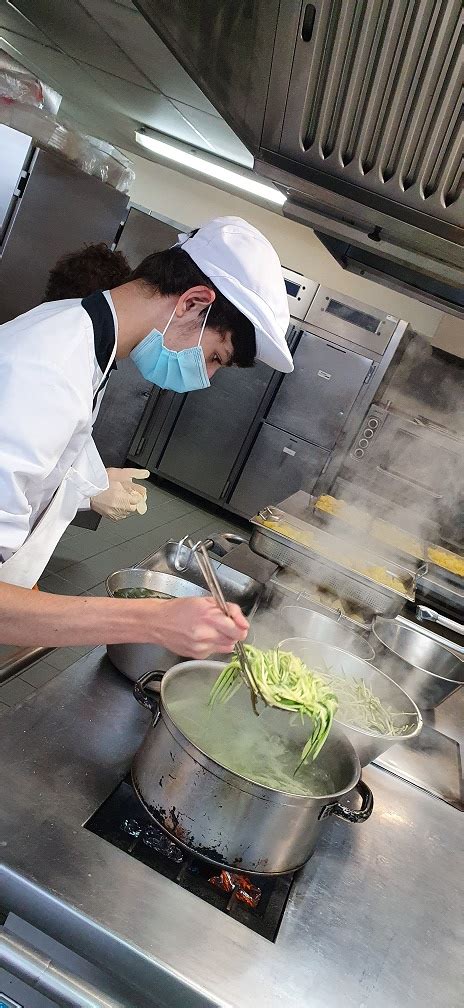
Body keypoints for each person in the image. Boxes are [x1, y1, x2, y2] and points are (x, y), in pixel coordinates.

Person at [0, 216, 292, 656]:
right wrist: (154, 620)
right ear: (193, 302)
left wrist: (87, 488)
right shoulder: (51, 370)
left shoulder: (78, 331)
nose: (206, 376)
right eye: (215, 356)